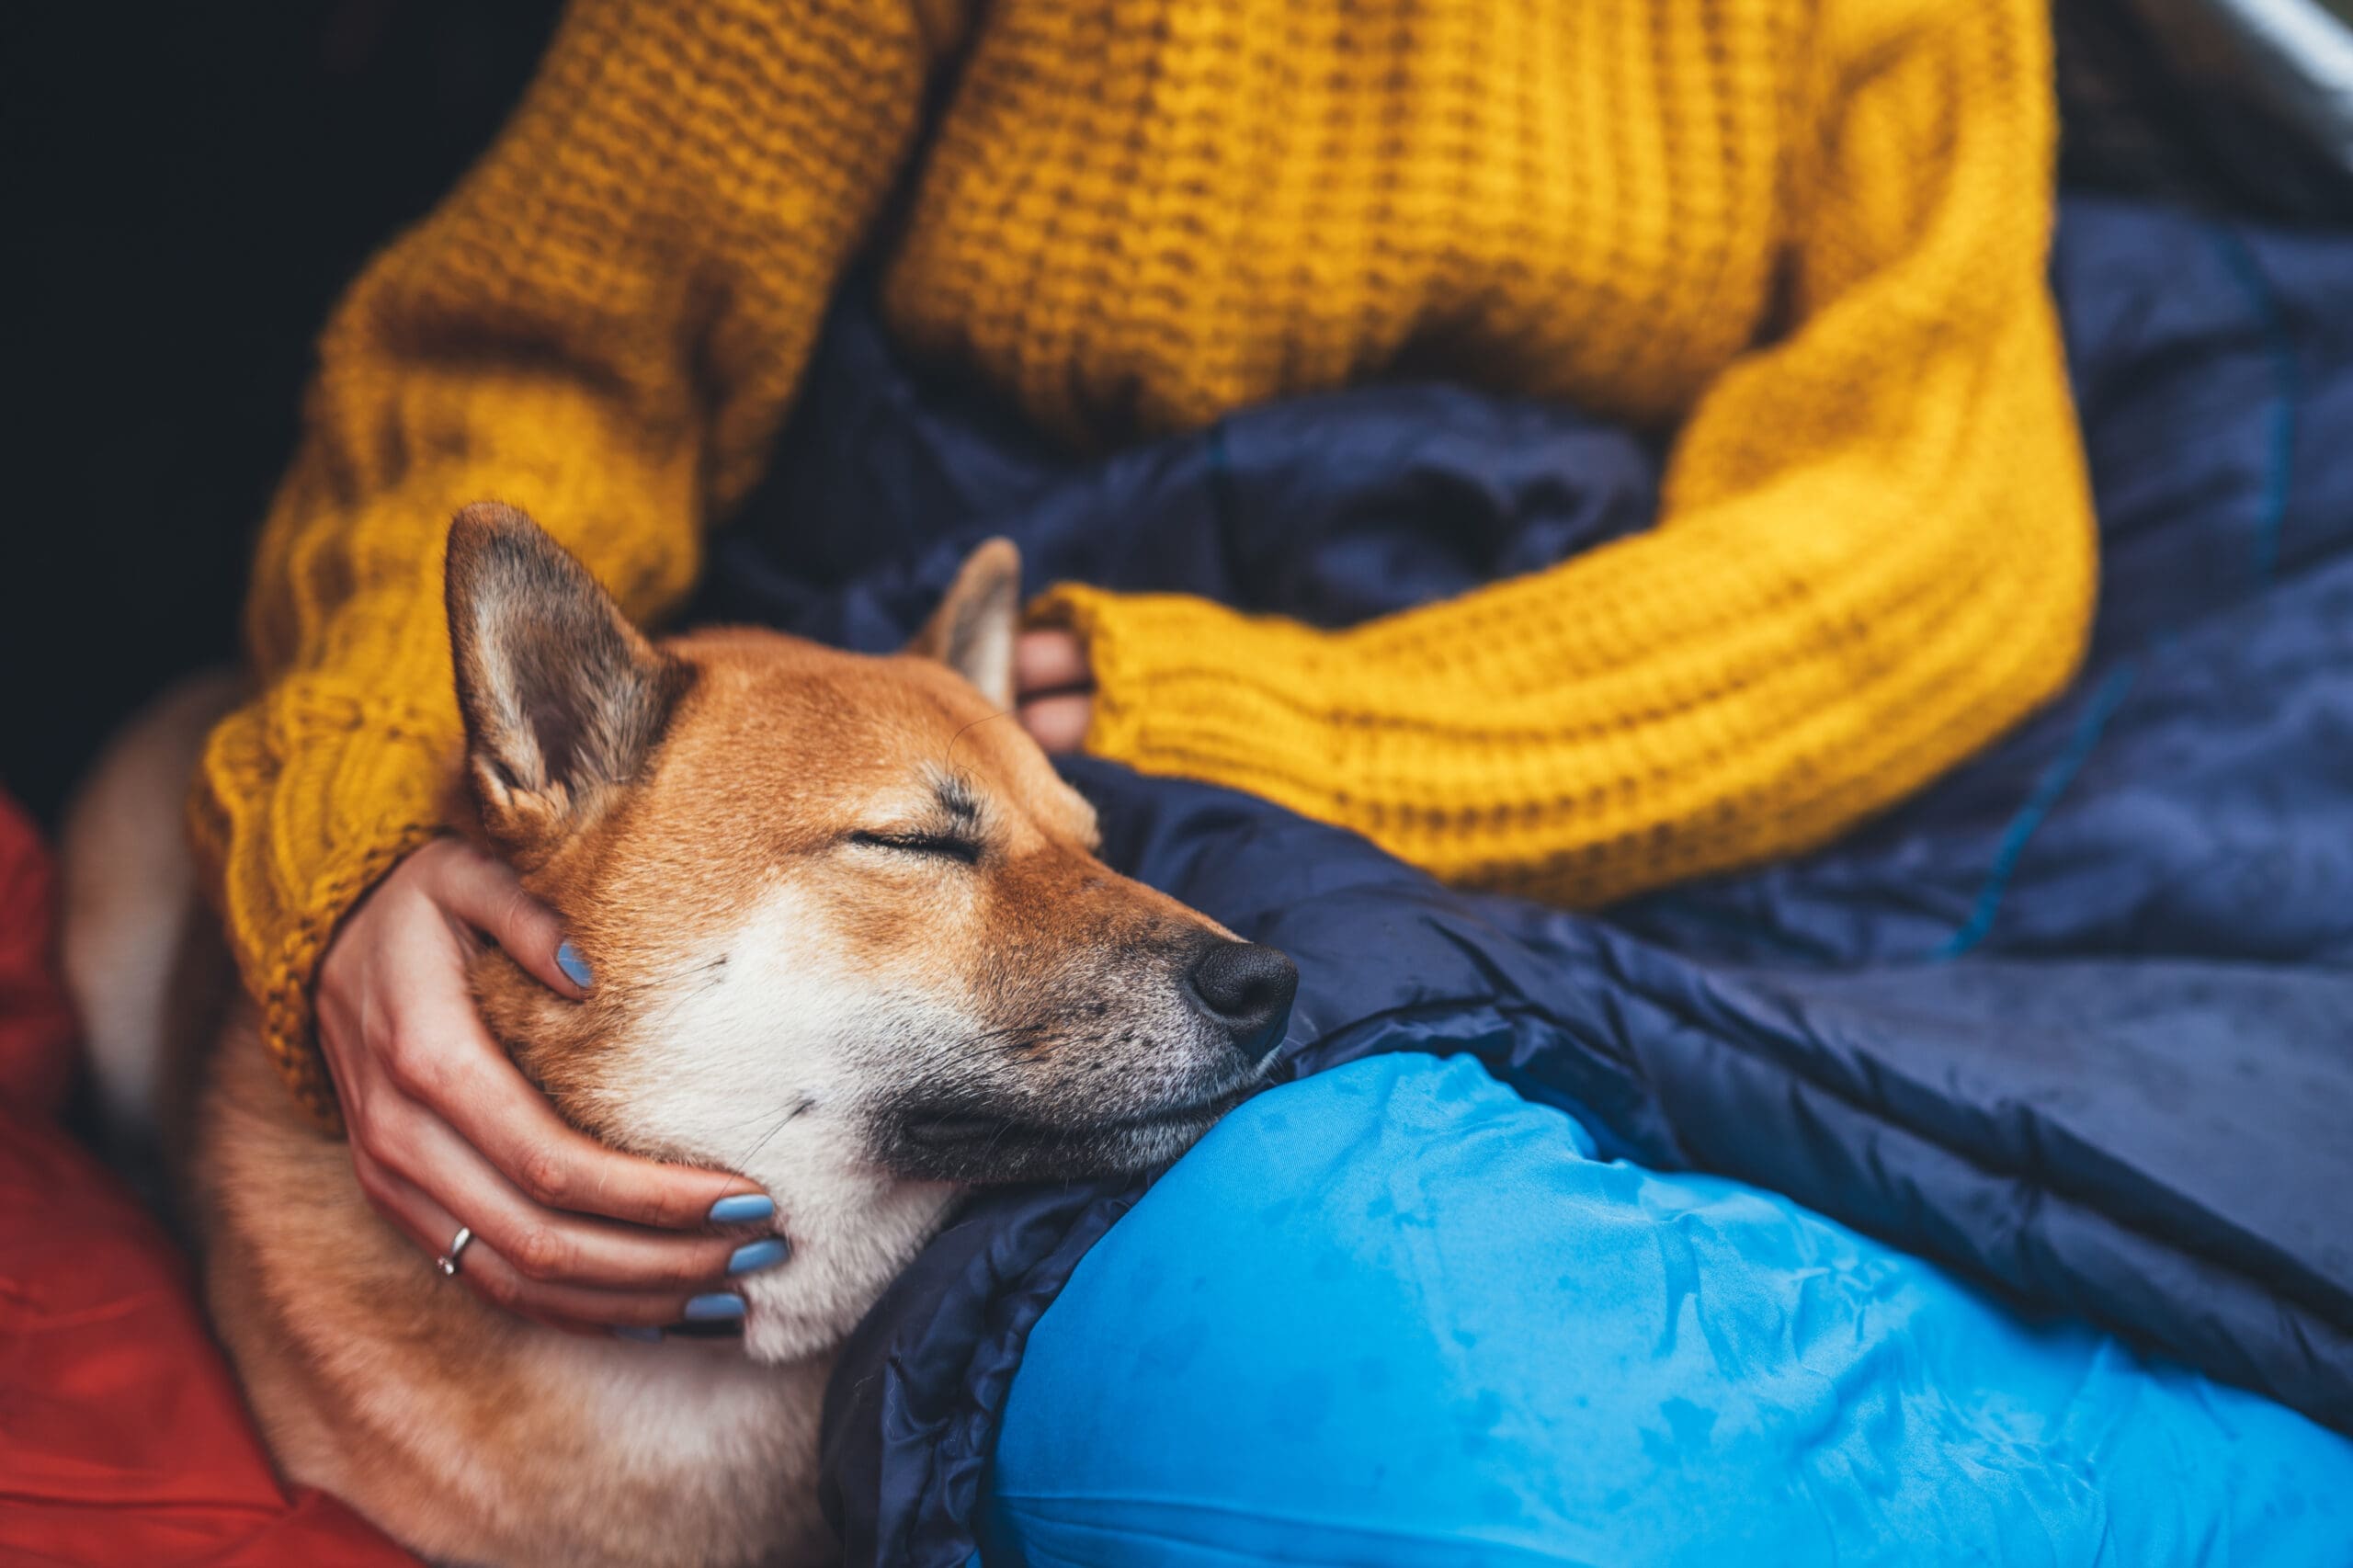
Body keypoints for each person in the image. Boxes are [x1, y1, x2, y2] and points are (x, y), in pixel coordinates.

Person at [192, 0, 2095, 1335]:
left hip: (1549, 700)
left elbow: (1947, 536)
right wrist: (375, 795)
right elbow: (541, 364)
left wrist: (1314, 738)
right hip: (929, 617)